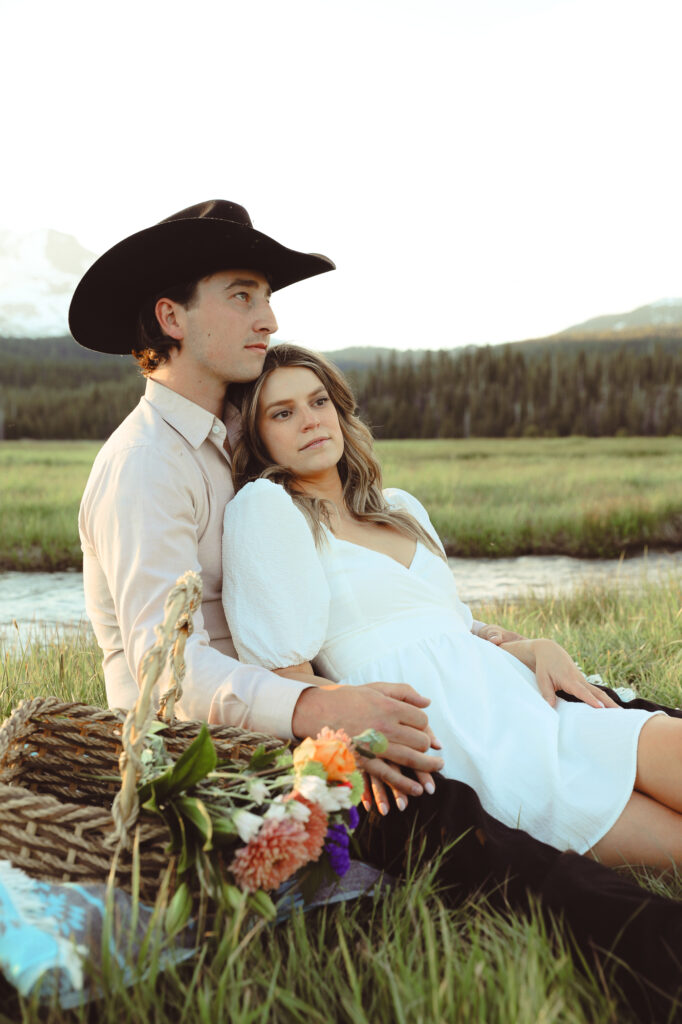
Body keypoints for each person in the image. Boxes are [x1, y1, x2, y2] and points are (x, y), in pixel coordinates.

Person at [222, 342, 682, 870]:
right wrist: (362, 735)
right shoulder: (267, 510)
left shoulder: (399, 508)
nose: (309, 421)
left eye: (319, 401)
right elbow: (288, 677)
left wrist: (530, 645)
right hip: (467, 741)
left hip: (526, 702)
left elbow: (451, 625)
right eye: (283, 413)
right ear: (258, 436)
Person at [70, 199, 457, 800]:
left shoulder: (239, 443)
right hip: (206, 762)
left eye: (268, 299)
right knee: (473, 823)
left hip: (299, 716)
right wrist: (322, 711)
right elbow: (166, 671)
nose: (270, 321)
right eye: (243, 297)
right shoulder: (146, 465)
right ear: (172, 318)